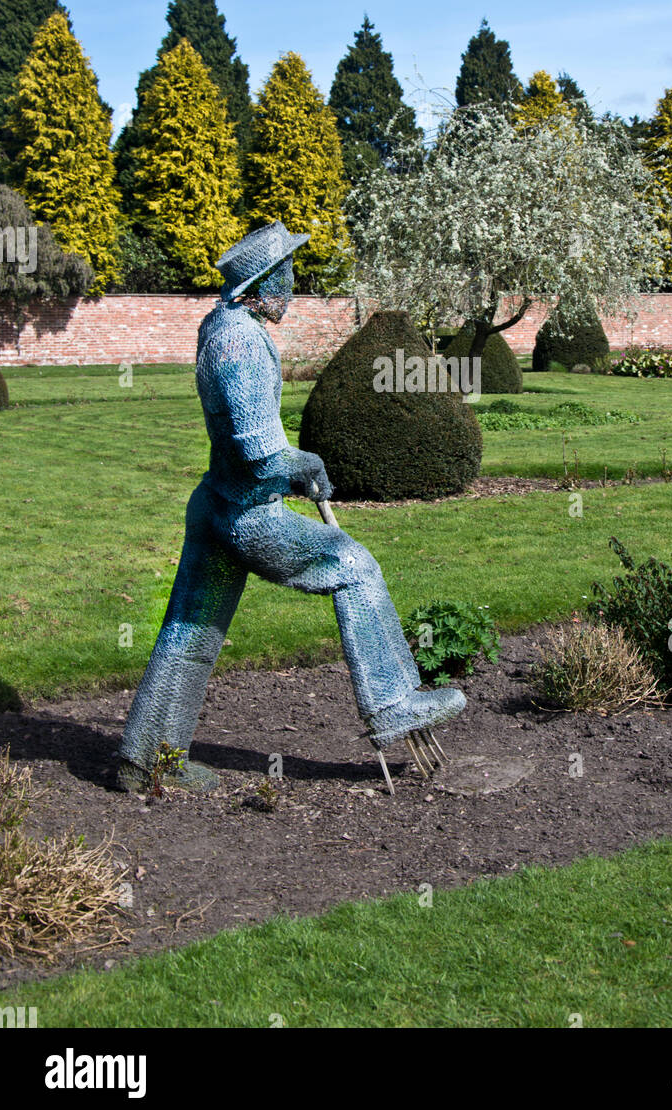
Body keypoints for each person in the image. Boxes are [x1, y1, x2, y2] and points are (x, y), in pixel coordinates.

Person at [117, 222, 465, 791]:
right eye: (289, 277)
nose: (294, 288)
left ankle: (144, 762)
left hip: (213, 503)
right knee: (354, 568)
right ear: (267, 282)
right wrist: (305, 465)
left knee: (190, 629)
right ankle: (392, 703)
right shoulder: (243, 342)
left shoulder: (218, 326)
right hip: (247, 513)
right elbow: (260, 453)